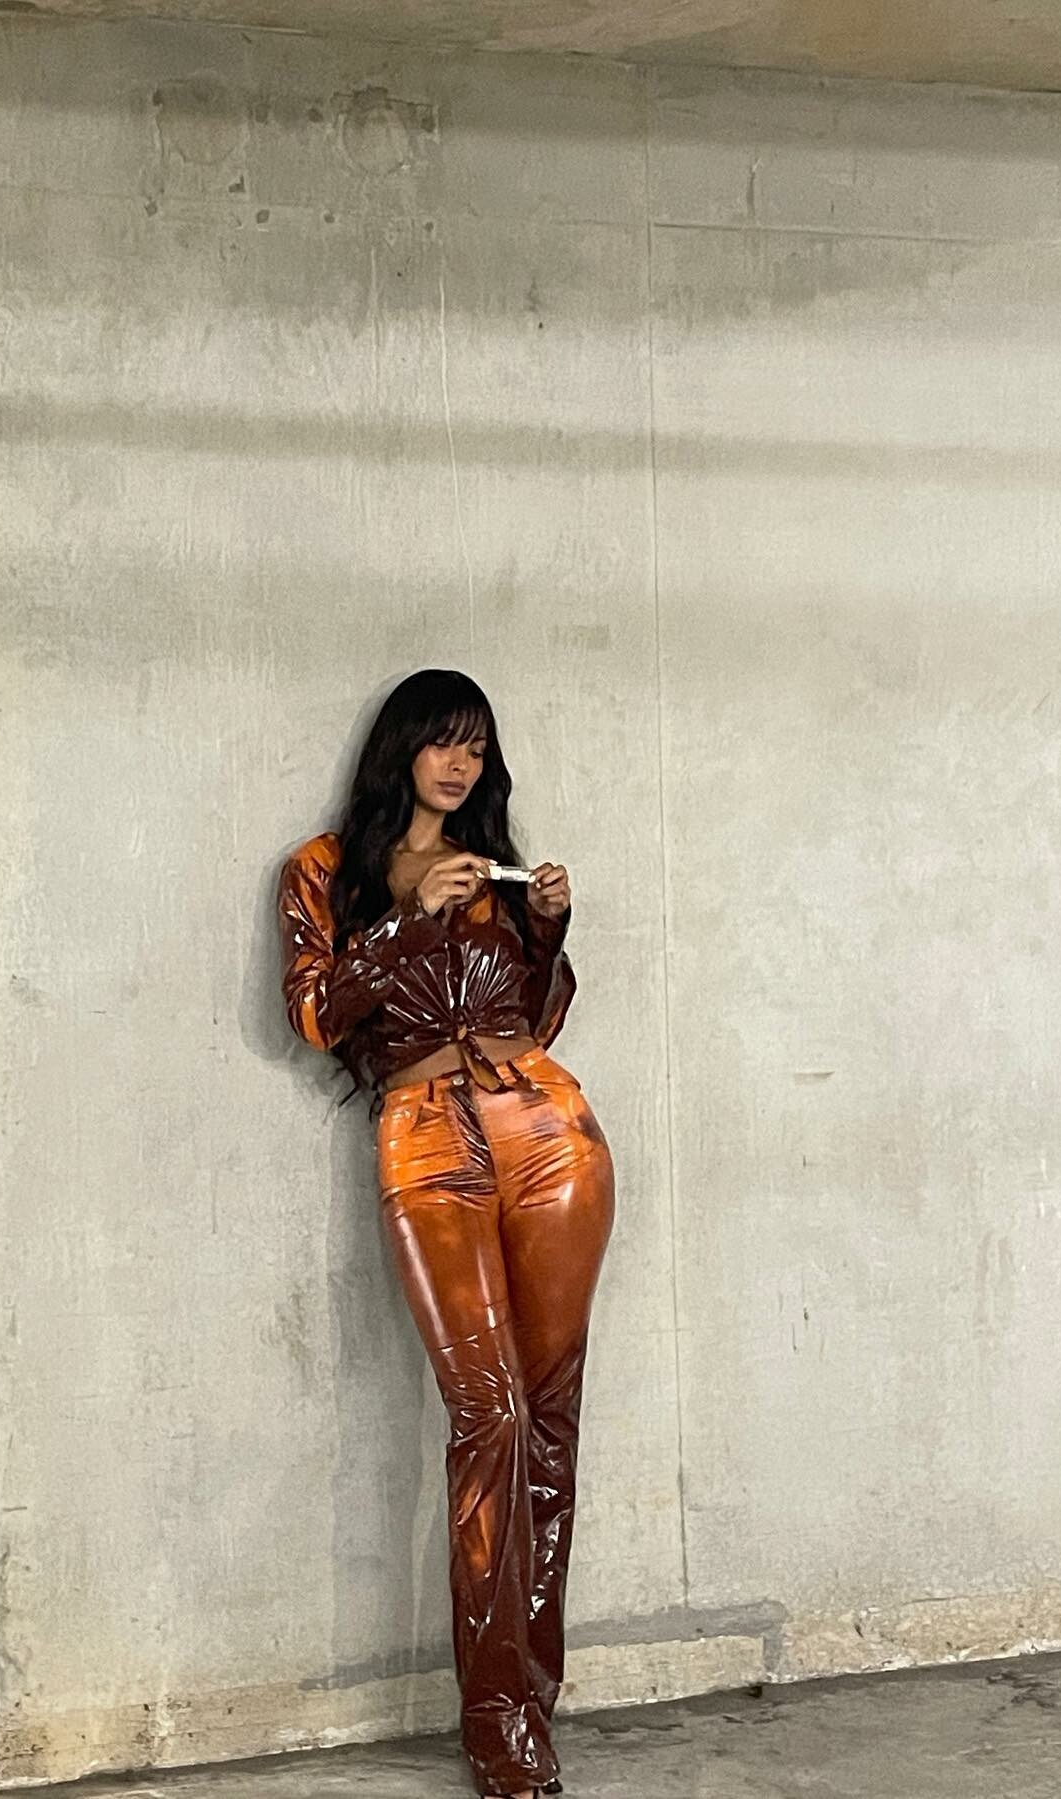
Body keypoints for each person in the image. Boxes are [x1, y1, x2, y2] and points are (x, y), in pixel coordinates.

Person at [276, 668, 617, 1799]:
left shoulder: (495, 871)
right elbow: (315, 1012)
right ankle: (495, 1715)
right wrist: (408, 916)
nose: (460, 763)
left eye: (477, 745)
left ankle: (531, 1701)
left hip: (547, 1125)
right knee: (491, 1409)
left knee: (551, 1414)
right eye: (441, 741)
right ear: (403, 750)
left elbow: (536, 1014)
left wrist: (546, 926)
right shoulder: (324, 869)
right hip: (425, 1131)